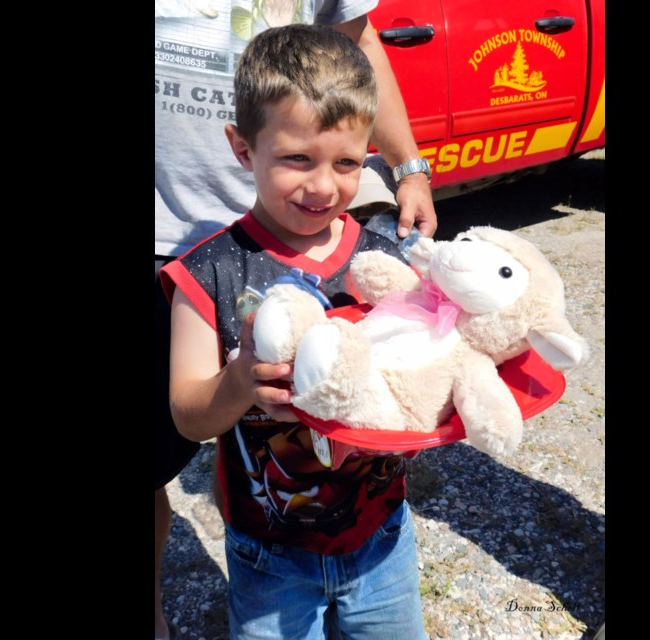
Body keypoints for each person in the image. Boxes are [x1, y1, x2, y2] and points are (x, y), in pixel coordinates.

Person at [155, 3, 437, 638]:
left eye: (346, 163)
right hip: (268, 559)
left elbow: (419, 365)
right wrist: (239, 381)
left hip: (384, 542)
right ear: (241, 146)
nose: (324, 187)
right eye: (297, 160)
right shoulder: (208, 274)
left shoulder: (380, 260)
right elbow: (186, 412)